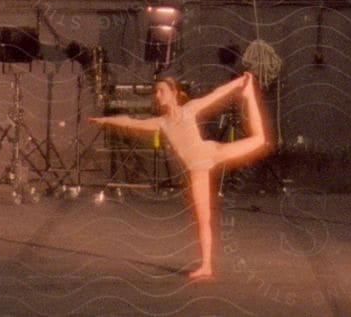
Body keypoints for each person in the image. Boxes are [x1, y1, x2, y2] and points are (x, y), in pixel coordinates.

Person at [89, 71, 271, 280]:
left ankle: (249, 95)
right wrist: (104, 120)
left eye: (162, 90)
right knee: (203, 219)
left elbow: (216, 94)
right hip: (197, 170)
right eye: (156, 91)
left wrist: (240, 82)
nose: (157, 95)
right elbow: (130, 121)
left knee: (259, 139)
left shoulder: (189, 109)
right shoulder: (161, 123)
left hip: (212, 152)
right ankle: (206, 266)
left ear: (174, 93)